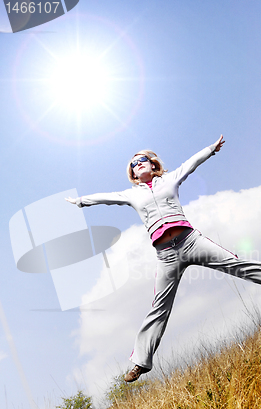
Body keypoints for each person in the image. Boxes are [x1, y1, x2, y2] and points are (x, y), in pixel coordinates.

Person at [66, 135, 261, 382]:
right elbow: (106, 197)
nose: (137, 164)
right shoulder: (131, 194)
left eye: (141, 160)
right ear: (134, 175)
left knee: (235, 264)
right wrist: (80, 202)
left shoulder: (170, 178)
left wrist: (211, 149)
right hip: (166, 255)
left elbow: (191, 163)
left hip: (191, 241)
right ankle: (139, 364)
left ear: (153, 164)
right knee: (160, 306)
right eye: (133, 165)